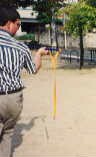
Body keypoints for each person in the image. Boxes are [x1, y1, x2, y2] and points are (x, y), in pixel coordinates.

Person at [0, 7, 49, 157]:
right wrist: (39, 54)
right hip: (15, 99)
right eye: (18, 24)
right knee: (7, 135)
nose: (19, 28)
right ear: (9, 24)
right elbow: (34, 69)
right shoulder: (21, 47)